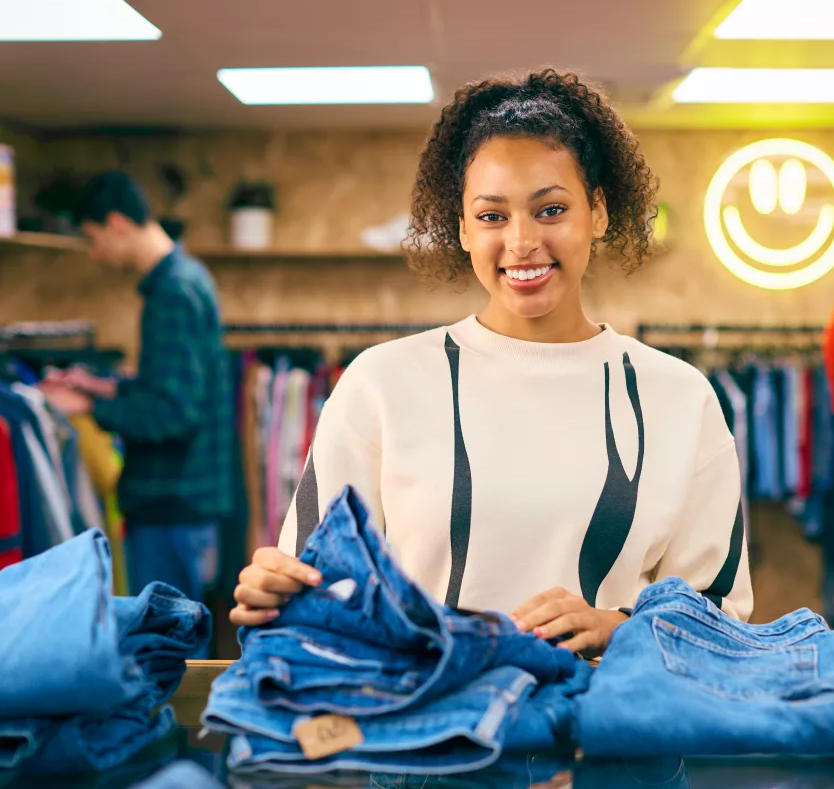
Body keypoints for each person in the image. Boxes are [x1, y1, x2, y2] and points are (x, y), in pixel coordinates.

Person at [230, 69, 751, 658]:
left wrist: (619, 626)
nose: (521, 241)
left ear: (598, 213)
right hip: (426, 732)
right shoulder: (381, 384)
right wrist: (277, 592)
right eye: (492, 216)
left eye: (551, 210)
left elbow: (722, 612)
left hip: (603, 733)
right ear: (461, 227)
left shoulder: (679, 397)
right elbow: (317, 588)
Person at [42, 172, 234, 628]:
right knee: (177, 637)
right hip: (182, 501)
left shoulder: (172, 292)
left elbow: (173, 413)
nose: (95, 254)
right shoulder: (186, 278)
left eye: (92, 239)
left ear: (116, 223)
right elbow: (175, 388)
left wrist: (89, 407)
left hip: (171, 502)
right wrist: (104, 386)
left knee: (168, 646)